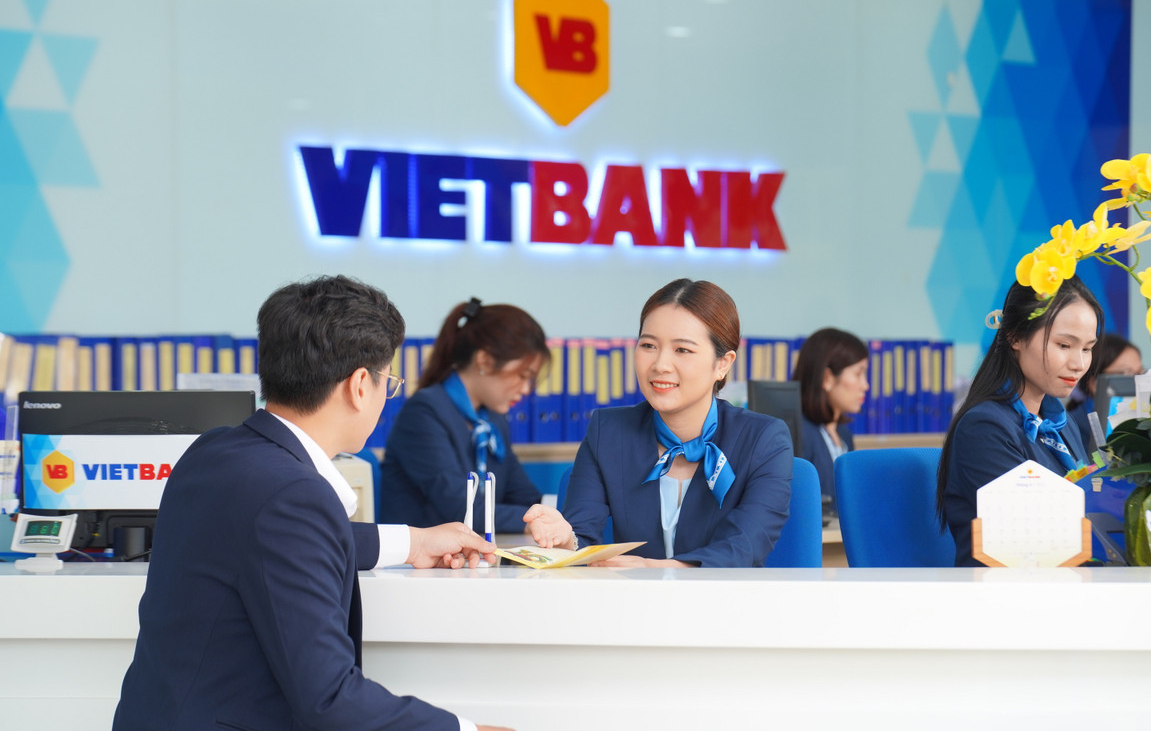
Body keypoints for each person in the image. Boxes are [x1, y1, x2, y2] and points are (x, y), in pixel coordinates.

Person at [113, 276, 512, 731]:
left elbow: (279, 544)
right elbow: (331, 700)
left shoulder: (215, 450)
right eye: (388, 383)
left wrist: (413, 543)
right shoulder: (294, 497)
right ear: (359, 385)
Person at [562, 278, 793, 567]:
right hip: (631, 595)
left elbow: (744, 545)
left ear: (722, 364)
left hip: (725, 595)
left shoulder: (763, 439)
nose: (660, 365)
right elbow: (581, 538)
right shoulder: (607, 432)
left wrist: (656, 569)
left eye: (682, 350)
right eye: (648, 345)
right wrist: (564, 540)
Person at [936, 277, 1103, 567]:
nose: (1078, 364)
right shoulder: (984, 429)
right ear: (1015, 338)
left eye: (1087, 349)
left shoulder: (1061, 422)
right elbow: (1032, 541)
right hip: (1009, 589)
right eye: (1064, 345)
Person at [379, 299, 572, 547]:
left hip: (468, 556)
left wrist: (552, 515)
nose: (526, 389)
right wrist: (531, 521)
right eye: (522, 375)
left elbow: (523, 495)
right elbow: (461, 507)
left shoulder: (491, 420)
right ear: (484, 361)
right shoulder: (424, 413)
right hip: (418, 562)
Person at [791, 328, 868, 512]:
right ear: (827, 378)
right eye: (858, 374)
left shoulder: (844, 435)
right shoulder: (800, 434)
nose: (865, 385)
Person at [1067, 332, 1143, 446]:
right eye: (1127, 374)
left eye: (1140, 372)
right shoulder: (1072, 428)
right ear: (1094, 384)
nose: (1137, 381)